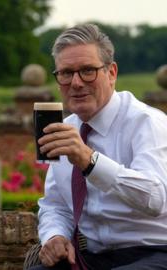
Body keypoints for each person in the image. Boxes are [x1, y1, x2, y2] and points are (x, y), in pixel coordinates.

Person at [30, 24, 167, 270]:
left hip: (155, 252)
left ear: (111, 72)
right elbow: (55, 205)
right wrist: (54, 236)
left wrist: (89, 160)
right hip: (92, 256)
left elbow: (155, 198)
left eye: (87, 71)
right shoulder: (65, 128)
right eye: (65, 73)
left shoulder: (147, 123)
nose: (76, 82)